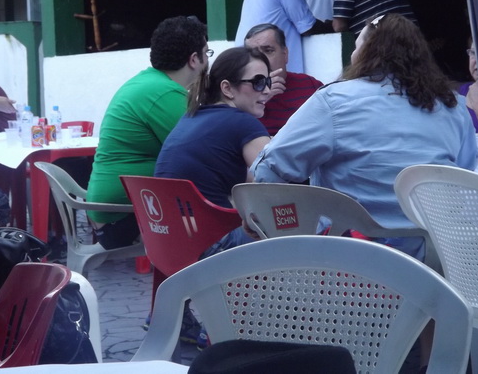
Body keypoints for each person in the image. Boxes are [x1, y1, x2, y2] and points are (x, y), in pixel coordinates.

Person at [251, 13, 478, 261]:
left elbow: (268, 170)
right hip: (439, 260)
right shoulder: (453, 104)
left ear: (366, 54)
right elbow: (464, 173)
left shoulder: (334, 101)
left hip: (351, 263)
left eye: (356, 47)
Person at [86, 16, 210, 250]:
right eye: (207, 53)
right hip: (123, 218)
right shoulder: (164, 94)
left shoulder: (149, 82)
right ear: (194, 59)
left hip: (113, 213)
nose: (208, 62)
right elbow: (203, 153)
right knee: (224, 212)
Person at [154, 46, 271, 236]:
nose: (267, 90)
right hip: (211, 240)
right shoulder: (242, 122)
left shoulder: (191, 117)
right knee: (308, 230)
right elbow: (276, 185)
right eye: (258, 82)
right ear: (227, 88)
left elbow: (251, 178)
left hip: (167, 239)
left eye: (268, 81)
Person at [244, 23, 323, 136]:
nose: (261, 59)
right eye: (254, 54)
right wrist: (261, 98)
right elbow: (235, 130)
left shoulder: (309, 84)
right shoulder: (242, 89)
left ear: (285, 54)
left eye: (268, 50)